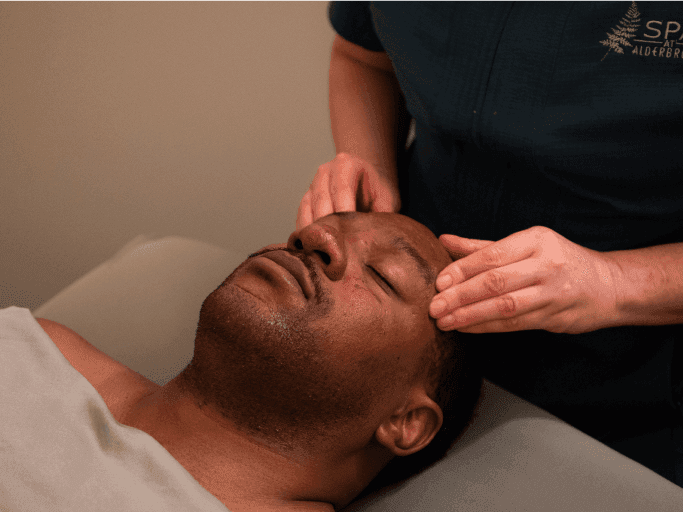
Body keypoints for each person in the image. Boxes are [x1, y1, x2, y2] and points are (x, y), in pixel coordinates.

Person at [297, 1, 683, 486]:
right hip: (421, 353)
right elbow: (362, 57)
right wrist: (367, 158)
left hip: (635, 381)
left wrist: (616, 282)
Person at [1, 211, 482, 512]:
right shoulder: (35, 347)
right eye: (318, 229)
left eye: (381, 274)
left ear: (406, 422)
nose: (315, 237)